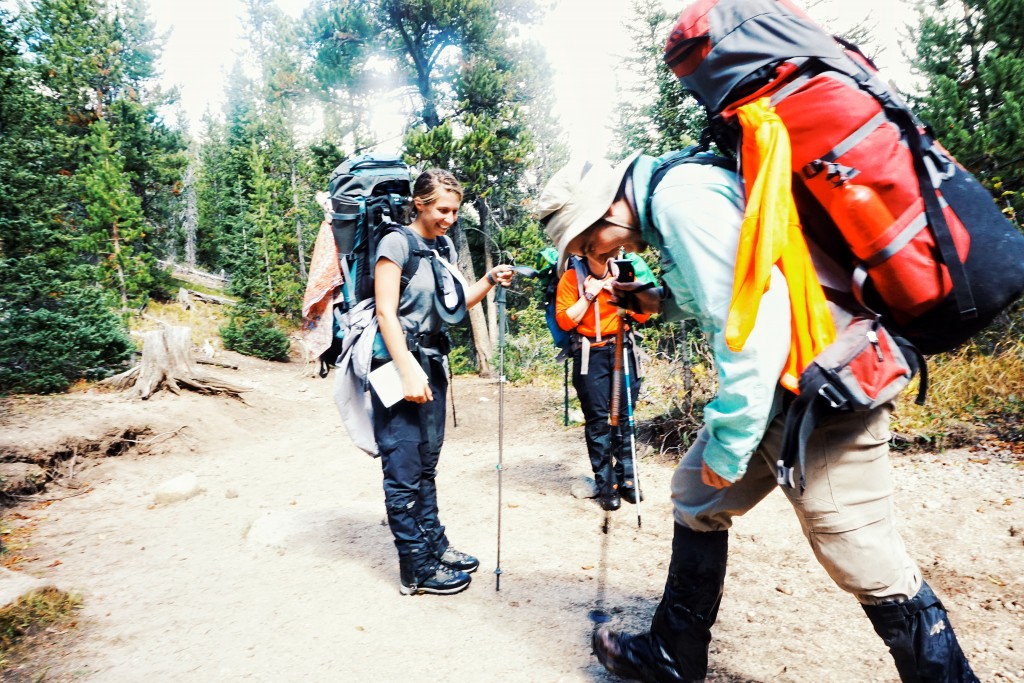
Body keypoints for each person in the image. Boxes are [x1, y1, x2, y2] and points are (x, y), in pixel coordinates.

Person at [538, 152, 979, 681]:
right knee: (696, 495)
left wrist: (729, 445)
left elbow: (753, 333)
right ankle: (673, 655)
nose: (600, 253)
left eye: (590, 242)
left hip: (823, 390)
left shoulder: (683, 203)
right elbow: (734, 287)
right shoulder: (676, 194)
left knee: (863, 554)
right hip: (786, 387)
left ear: (607, 209)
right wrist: (657, 300)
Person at [374, 168, 514, 596]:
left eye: (455, 210)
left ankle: (434, 544)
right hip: (395, 365)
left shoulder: (442, 246)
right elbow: (385, 313)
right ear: (419, 203)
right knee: (402, 468)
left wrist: (488, 281)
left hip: (432, 361)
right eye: (442, 209)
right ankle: (414, 567)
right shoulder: (395, 243)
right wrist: (406, 368)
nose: (450, 217)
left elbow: (451, 307)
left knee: (427, 465)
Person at [555, 254, 650, 511]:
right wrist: (589, 295)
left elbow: (644, 315)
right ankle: (607, 483)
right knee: (597, 419)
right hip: (590, 352)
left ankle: (628, 479)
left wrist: (620, 293)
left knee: (625, 416)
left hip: (623, 347)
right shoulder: (571, 277)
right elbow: (565, 320)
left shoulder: (625, 272)